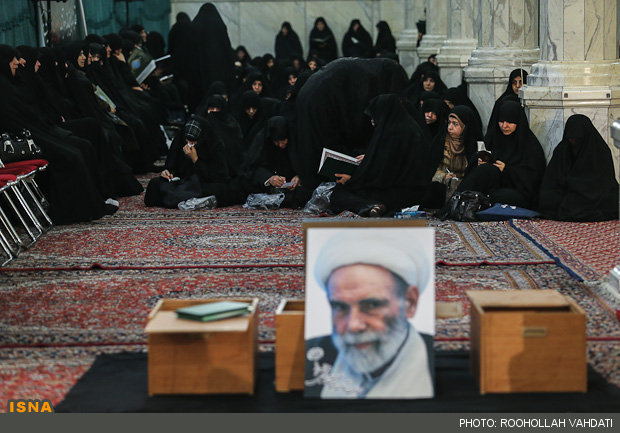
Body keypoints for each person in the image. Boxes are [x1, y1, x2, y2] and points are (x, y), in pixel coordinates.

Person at [305, 230, 434, 399]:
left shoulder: (436, 358)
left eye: (372, 305)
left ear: (410, 302)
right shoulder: (311, 356)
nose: (353, 325)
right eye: (340, 307)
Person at [328, 94, 432, 217]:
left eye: (374, 116)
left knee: (339, 194)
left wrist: (352, 179)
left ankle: (372, 205)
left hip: (395, 193)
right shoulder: (410, 128)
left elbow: (381, 175)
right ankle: (373, 206)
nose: (373, 122)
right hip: (417, 192)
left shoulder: (391, 133)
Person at [457, 100, 546, 208]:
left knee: (495, 196)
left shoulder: (529, 145)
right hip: (494, 186)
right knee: (484, 172)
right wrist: (480, 162)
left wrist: (506, 170)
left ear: (518, 121)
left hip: (518, 191)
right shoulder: (494, 138)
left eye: (510, 122)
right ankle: (457, 203)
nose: (504, 126)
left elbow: (532, 179)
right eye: (501, 121)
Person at [538, 114, 619, 221]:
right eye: (571, 139)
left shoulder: (600, 152)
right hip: (568, 193)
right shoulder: (563, 150)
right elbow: (552, 181)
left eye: (578, 139)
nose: (574, 143)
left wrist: (574, 185)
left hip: (594, 196)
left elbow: (603, 185)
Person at [240, 116, 304, 208]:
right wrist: (269, 179)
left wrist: (299, 176)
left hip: (292, 185)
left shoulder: (296, 140)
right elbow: (252, 168)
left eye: (284, 140)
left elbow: (305, 164)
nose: (281, 145)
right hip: (267, 184)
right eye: (277, 142)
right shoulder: (262, 141)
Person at [428, 105, 481, 206]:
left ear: (465, 126)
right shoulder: (441, 142)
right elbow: (430, 168)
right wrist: (444, 176)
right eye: (449, 123)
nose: (450, 127)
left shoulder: (473, 145)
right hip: (442, 186)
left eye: (455, 124)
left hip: (465, 188)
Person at [485, 69, 528, 138]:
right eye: (514, 82)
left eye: (521, 82)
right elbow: (493, 129)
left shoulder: (529, 102)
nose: (517, 86)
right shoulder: (502, 102)